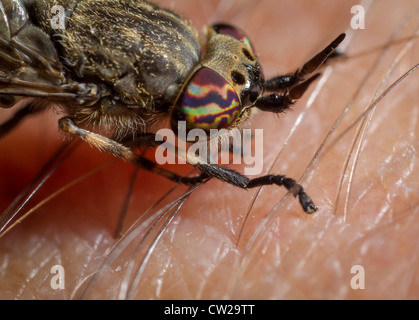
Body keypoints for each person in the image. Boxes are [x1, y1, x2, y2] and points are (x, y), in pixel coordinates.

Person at [0, 0, 418, 299]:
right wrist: (162, 168)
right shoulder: (81, 86)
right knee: (75, 123)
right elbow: (75, 126)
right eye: (213, 104)